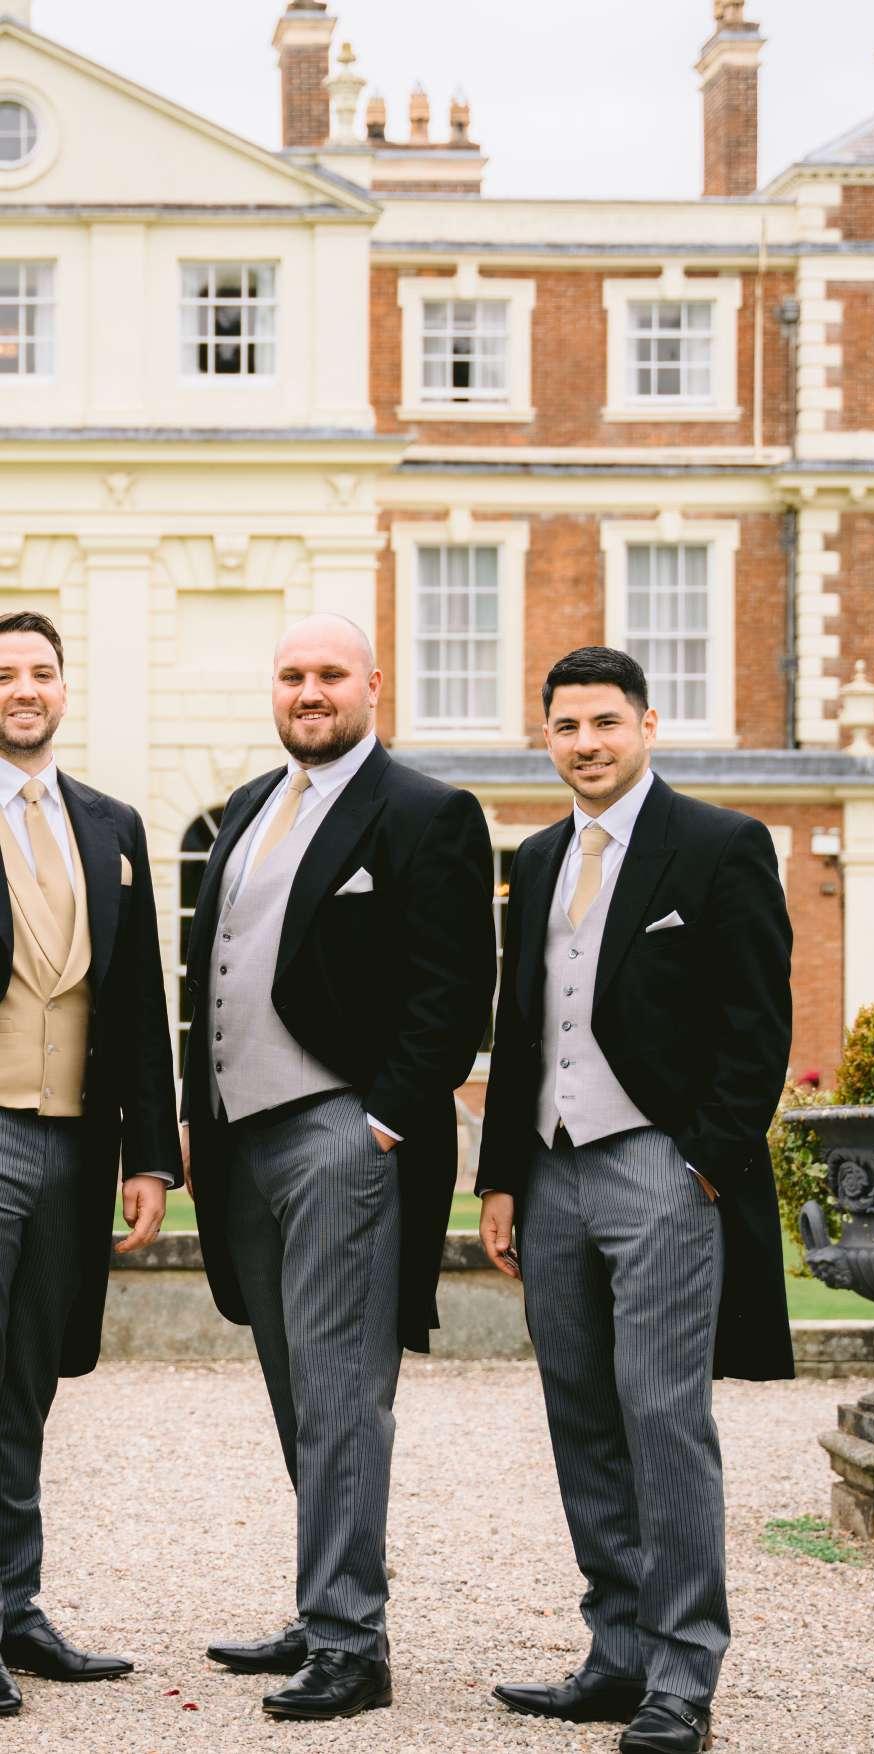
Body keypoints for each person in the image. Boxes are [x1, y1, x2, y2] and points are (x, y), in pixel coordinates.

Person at [477, 646, 794, 1754]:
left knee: (662, 1415)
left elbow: (758, 1020)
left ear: (647, 726)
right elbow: (522, 1027)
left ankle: (681, 1675)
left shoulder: (718, 845)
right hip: (549, 1168)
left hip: (659, 1166)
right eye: (566, 726)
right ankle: (615, 1654)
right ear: (547, 738)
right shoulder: (535, 857)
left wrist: (703, 1159)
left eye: (605, 722)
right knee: (580, 1414)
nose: (586, 744)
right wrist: (501, 1177)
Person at [181, 614, 494, 1723]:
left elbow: (452, 988)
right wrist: (196, 1115)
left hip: (341, 1134)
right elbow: (211, 976)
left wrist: (385, 1122)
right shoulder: (247, 808)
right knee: (292, 1386)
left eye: (328, 674)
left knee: (342, 1395)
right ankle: (325, 1607)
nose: (308, 691)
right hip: (241, 1142)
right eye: (290, 675)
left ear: (372, 684)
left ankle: (353, 1643)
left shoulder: (425, 811)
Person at [0, 612, 180, 1718]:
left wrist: (150, 1152)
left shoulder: (111, 824)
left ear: (65, 687)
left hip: (75, 1141)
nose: (23, 688)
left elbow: (140, 998)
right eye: (3, 673)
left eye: (40, 671)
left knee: (28, 1386)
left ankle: (13, 1607)